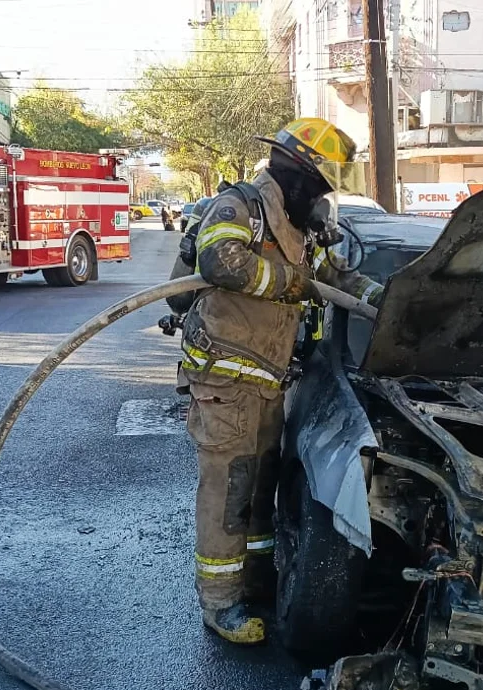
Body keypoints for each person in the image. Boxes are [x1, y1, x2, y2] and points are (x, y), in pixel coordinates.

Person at [179, 118, 384, 644]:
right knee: (230, 492)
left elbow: (336, 279)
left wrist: (384, 298)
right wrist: (291, 282)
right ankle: (220, 604)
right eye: (319, 187)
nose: (322, 200)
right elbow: (220, 261)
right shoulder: (240, 208)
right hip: (225, 381)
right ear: (295, 175)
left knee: (261, 487)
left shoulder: (299, 225)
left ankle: (256, 581)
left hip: (268, 381)